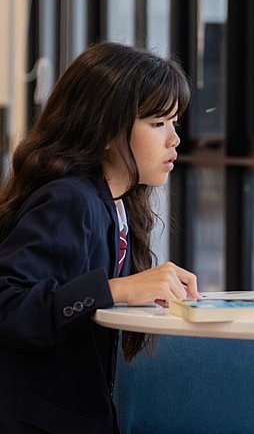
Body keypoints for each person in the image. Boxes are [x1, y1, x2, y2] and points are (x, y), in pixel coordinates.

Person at [0, 41, 200, 434]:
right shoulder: (69, 198)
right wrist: (118, 288)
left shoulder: (118, 202)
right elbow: (9, 305)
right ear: (107, 129)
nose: (174, 139)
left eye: (174, 123)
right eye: (158, 124)